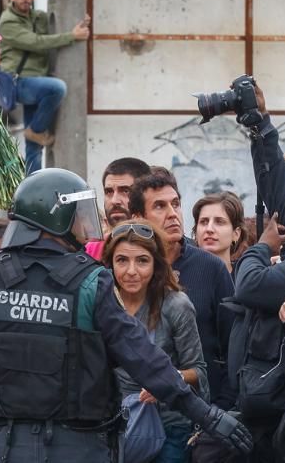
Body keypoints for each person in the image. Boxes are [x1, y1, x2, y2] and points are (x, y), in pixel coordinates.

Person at [0, 168, 252, 462]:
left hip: (5, 447)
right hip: (80, 448)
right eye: (76, 214)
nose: (82, 223)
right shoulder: (92, 282)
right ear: (56, 216)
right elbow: (148, 363)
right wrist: (210, 416)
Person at [103, 220, 208, 462]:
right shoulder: (104, 304)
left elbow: (200, 372)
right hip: (114, 427)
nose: (131, 271)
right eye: (122, 260)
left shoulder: (176, 305)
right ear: (110, 263)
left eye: (142, 260)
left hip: (169, 429)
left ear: (156, 264)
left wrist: (167, 381)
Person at [129, 171, 235, 405]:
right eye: (159, 206)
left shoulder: (211, 267)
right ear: (138, 218)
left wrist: (223, 410)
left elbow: (233, 347)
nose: (172, 214)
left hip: (199, 412)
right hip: (135, 412)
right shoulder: (126, 271)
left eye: (175, 204)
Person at [0, 0, 90, 173]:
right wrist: (72, 36)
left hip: (36, 81)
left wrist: (82, 20)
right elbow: (37, 42)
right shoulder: (7, 22)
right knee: (57, 88)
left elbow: (54, 25)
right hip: (18, 82)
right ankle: (35, 130)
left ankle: (34, 188)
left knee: (34, 149)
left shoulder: (38, 17)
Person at [191, 192, 248, 270]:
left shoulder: (246, 279)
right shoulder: (178, 277)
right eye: (203, 222)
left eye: (219, 222)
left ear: (236, 234)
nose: (209, 229)